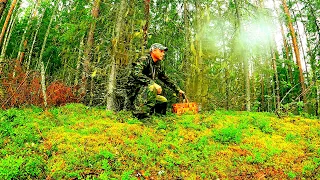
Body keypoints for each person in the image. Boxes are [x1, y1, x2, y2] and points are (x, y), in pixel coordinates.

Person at [127, 43, 185, 119]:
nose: (163, 54)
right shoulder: (144, 59)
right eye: (161, 51)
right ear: (154, 51)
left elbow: (165, 79)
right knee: (152, 88)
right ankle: (140, 116)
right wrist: (153, 83)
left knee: (162, 100)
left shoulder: (158, 64)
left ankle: (158, 118)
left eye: (163, 52)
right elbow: (136, 74)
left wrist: (178, 90)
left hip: (146, 91)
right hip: (134, 90)